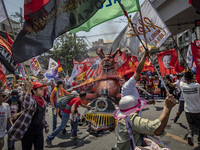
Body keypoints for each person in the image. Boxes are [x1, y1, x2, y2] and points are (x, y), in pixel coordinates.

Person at [8, 81, 49, 150]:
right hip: (28, 129)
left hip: (39, 129)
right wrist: (29, 89)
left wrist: (46, 126)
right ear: (34, 91)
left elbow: (42, 116)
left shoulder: (42, 100)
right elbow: (26, 105)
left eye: (43, 88)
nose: (43, 90)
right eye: (40, 89)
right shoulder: (32, 100)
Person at [180, 71, 200, 147]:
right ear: (192, 78)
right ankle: (199, 141)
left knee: (191, 124)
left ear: (185, 79)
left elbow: (181, 80)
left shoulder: (182, 85)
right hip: (197, 109)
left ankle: (190, 134)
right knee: (199, 126)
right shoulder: (197, 86)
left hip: (188, 110)